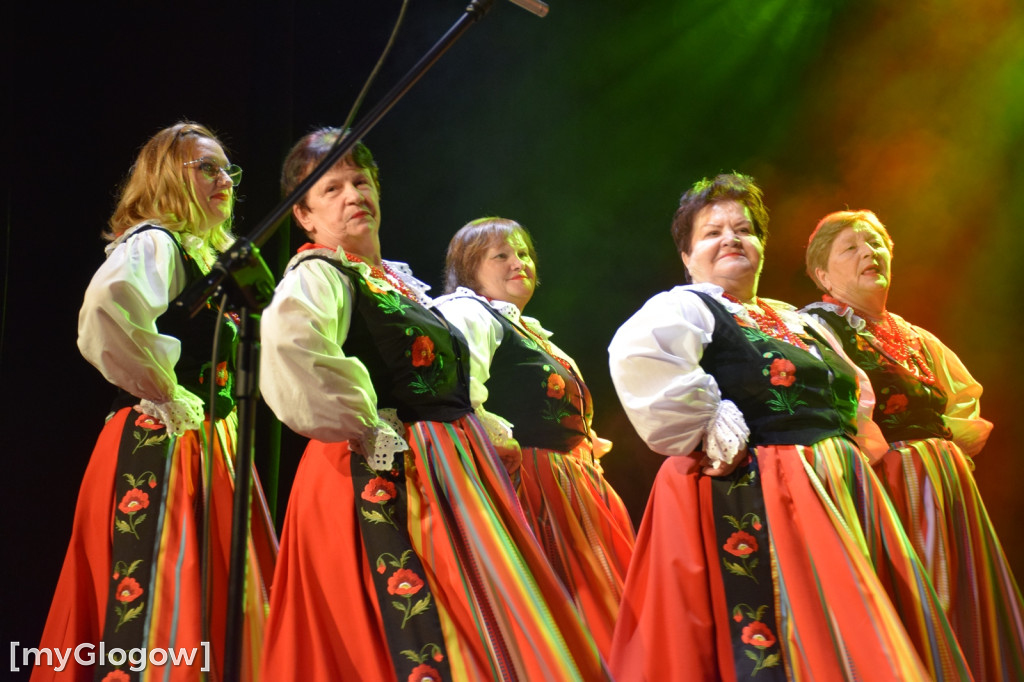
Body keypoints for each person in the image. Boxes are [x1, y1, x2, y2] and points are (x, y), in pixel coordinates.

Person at [257, 128, 608, 682]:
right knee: (420, 632)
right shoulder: (321, 273)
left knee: (489, 620)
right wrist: (366, 423)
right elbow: (293, 350)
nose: (354, 195)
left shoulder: (397, 282)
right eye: (332, 189)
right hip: (384, 472)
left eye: (361, 181)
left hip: (448, 465)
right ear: (303, 214)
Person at [607, 173, 971, 681]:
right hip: (771, 493)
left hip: (841, 487)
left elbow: (855, 396)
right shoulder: (687, 308)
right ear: (687, 257)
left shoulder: (797, 321)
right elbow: (640, 358)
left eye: (744, 229)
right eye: (712, 233)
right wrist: (711, 420)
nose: (731, 238)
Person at [33, 122, 277, 682]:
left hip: (208, 446)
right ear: (169, 176)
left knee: (209, 602)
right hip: (159, 442)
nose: (224, 181)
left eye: (227, 170)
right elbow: (105, 311)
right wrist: (165, 392)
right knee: (153, 595)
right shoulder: (156, 242)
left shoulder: (208, 259)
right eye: (207, 168)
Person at [802, 208, 1024, 681]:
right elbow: (833, 409)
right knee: (919, 605)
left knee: (966, 602)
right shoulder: (818, 329)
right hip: (889, 486)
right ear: (823, 273)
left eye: (877, 243)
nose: (870, 252)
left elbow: (964, 404)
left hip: (946, 486)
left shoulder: (914, 336)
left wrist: (943, 457)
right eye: (852, 247)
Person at [435, 217, 636, 657]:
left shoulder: (532, 333)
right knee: (563, 611)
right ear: (470, 268)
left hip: (571, 487)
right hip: (527, 489)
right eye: (501, 255)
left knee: (603, 606)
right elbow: (461, 393)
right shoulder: (469, 313)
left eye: (523, 253)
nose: (518, 262)